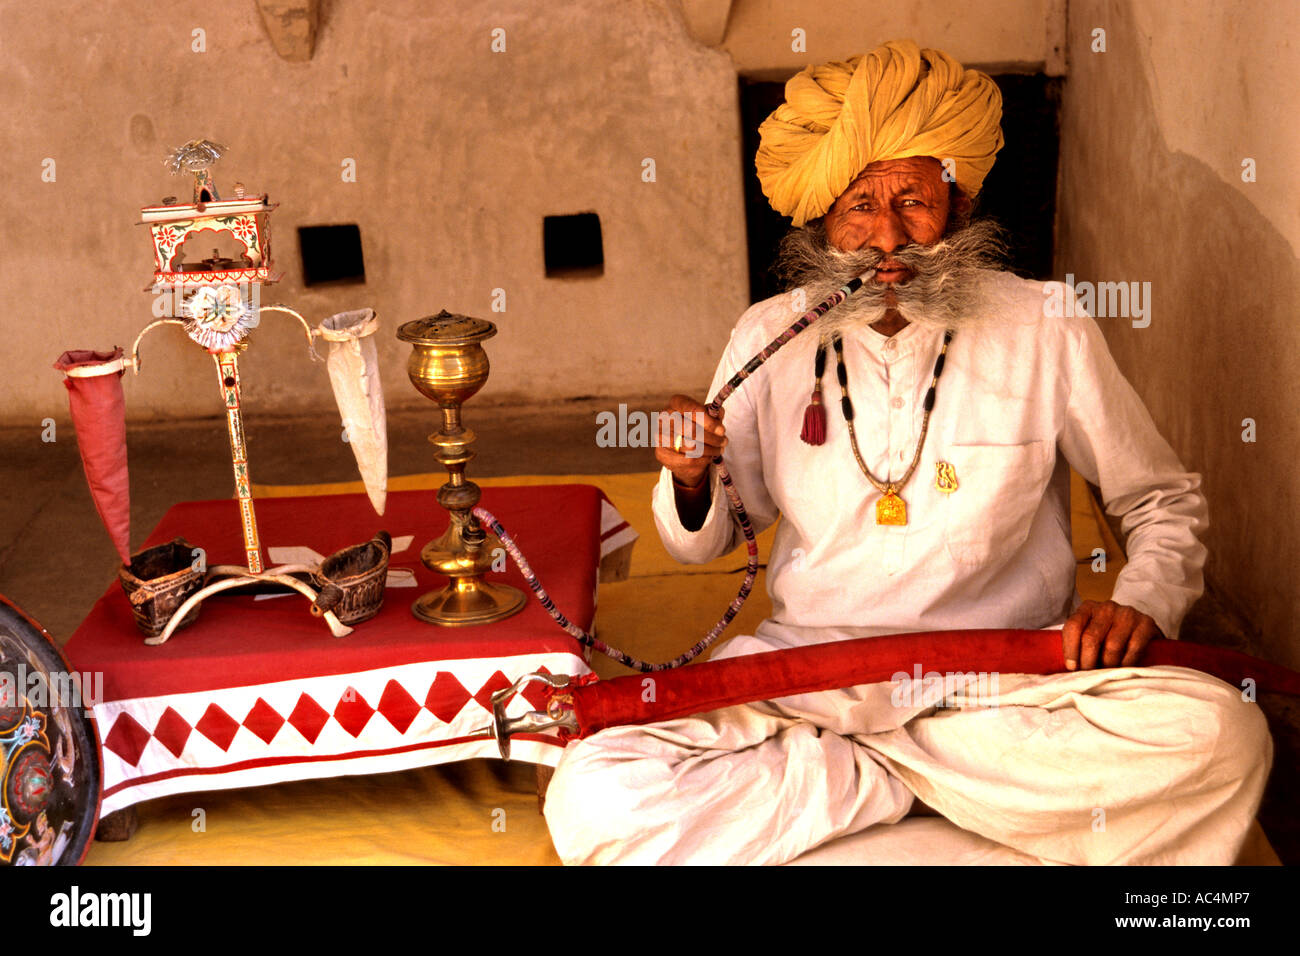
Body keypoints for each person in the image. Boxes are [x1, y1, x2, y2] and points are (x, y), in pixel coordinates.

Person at [542, 39, 1272, 865]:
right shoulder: (768, 335)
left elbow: (1160, 499)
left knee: (1220, 732)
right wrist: (689, 476)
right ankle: (937, 794)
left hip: (1006, 682)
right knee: (595, 789)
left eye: (914, 201)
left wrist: (1141, 602)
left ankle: (860, 794)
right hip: (812, 676)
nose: (886, 237)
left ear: (957, 208)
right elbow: (708, 542)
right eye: (858, 205)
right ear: (822, 220)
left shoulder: (1044, 324)